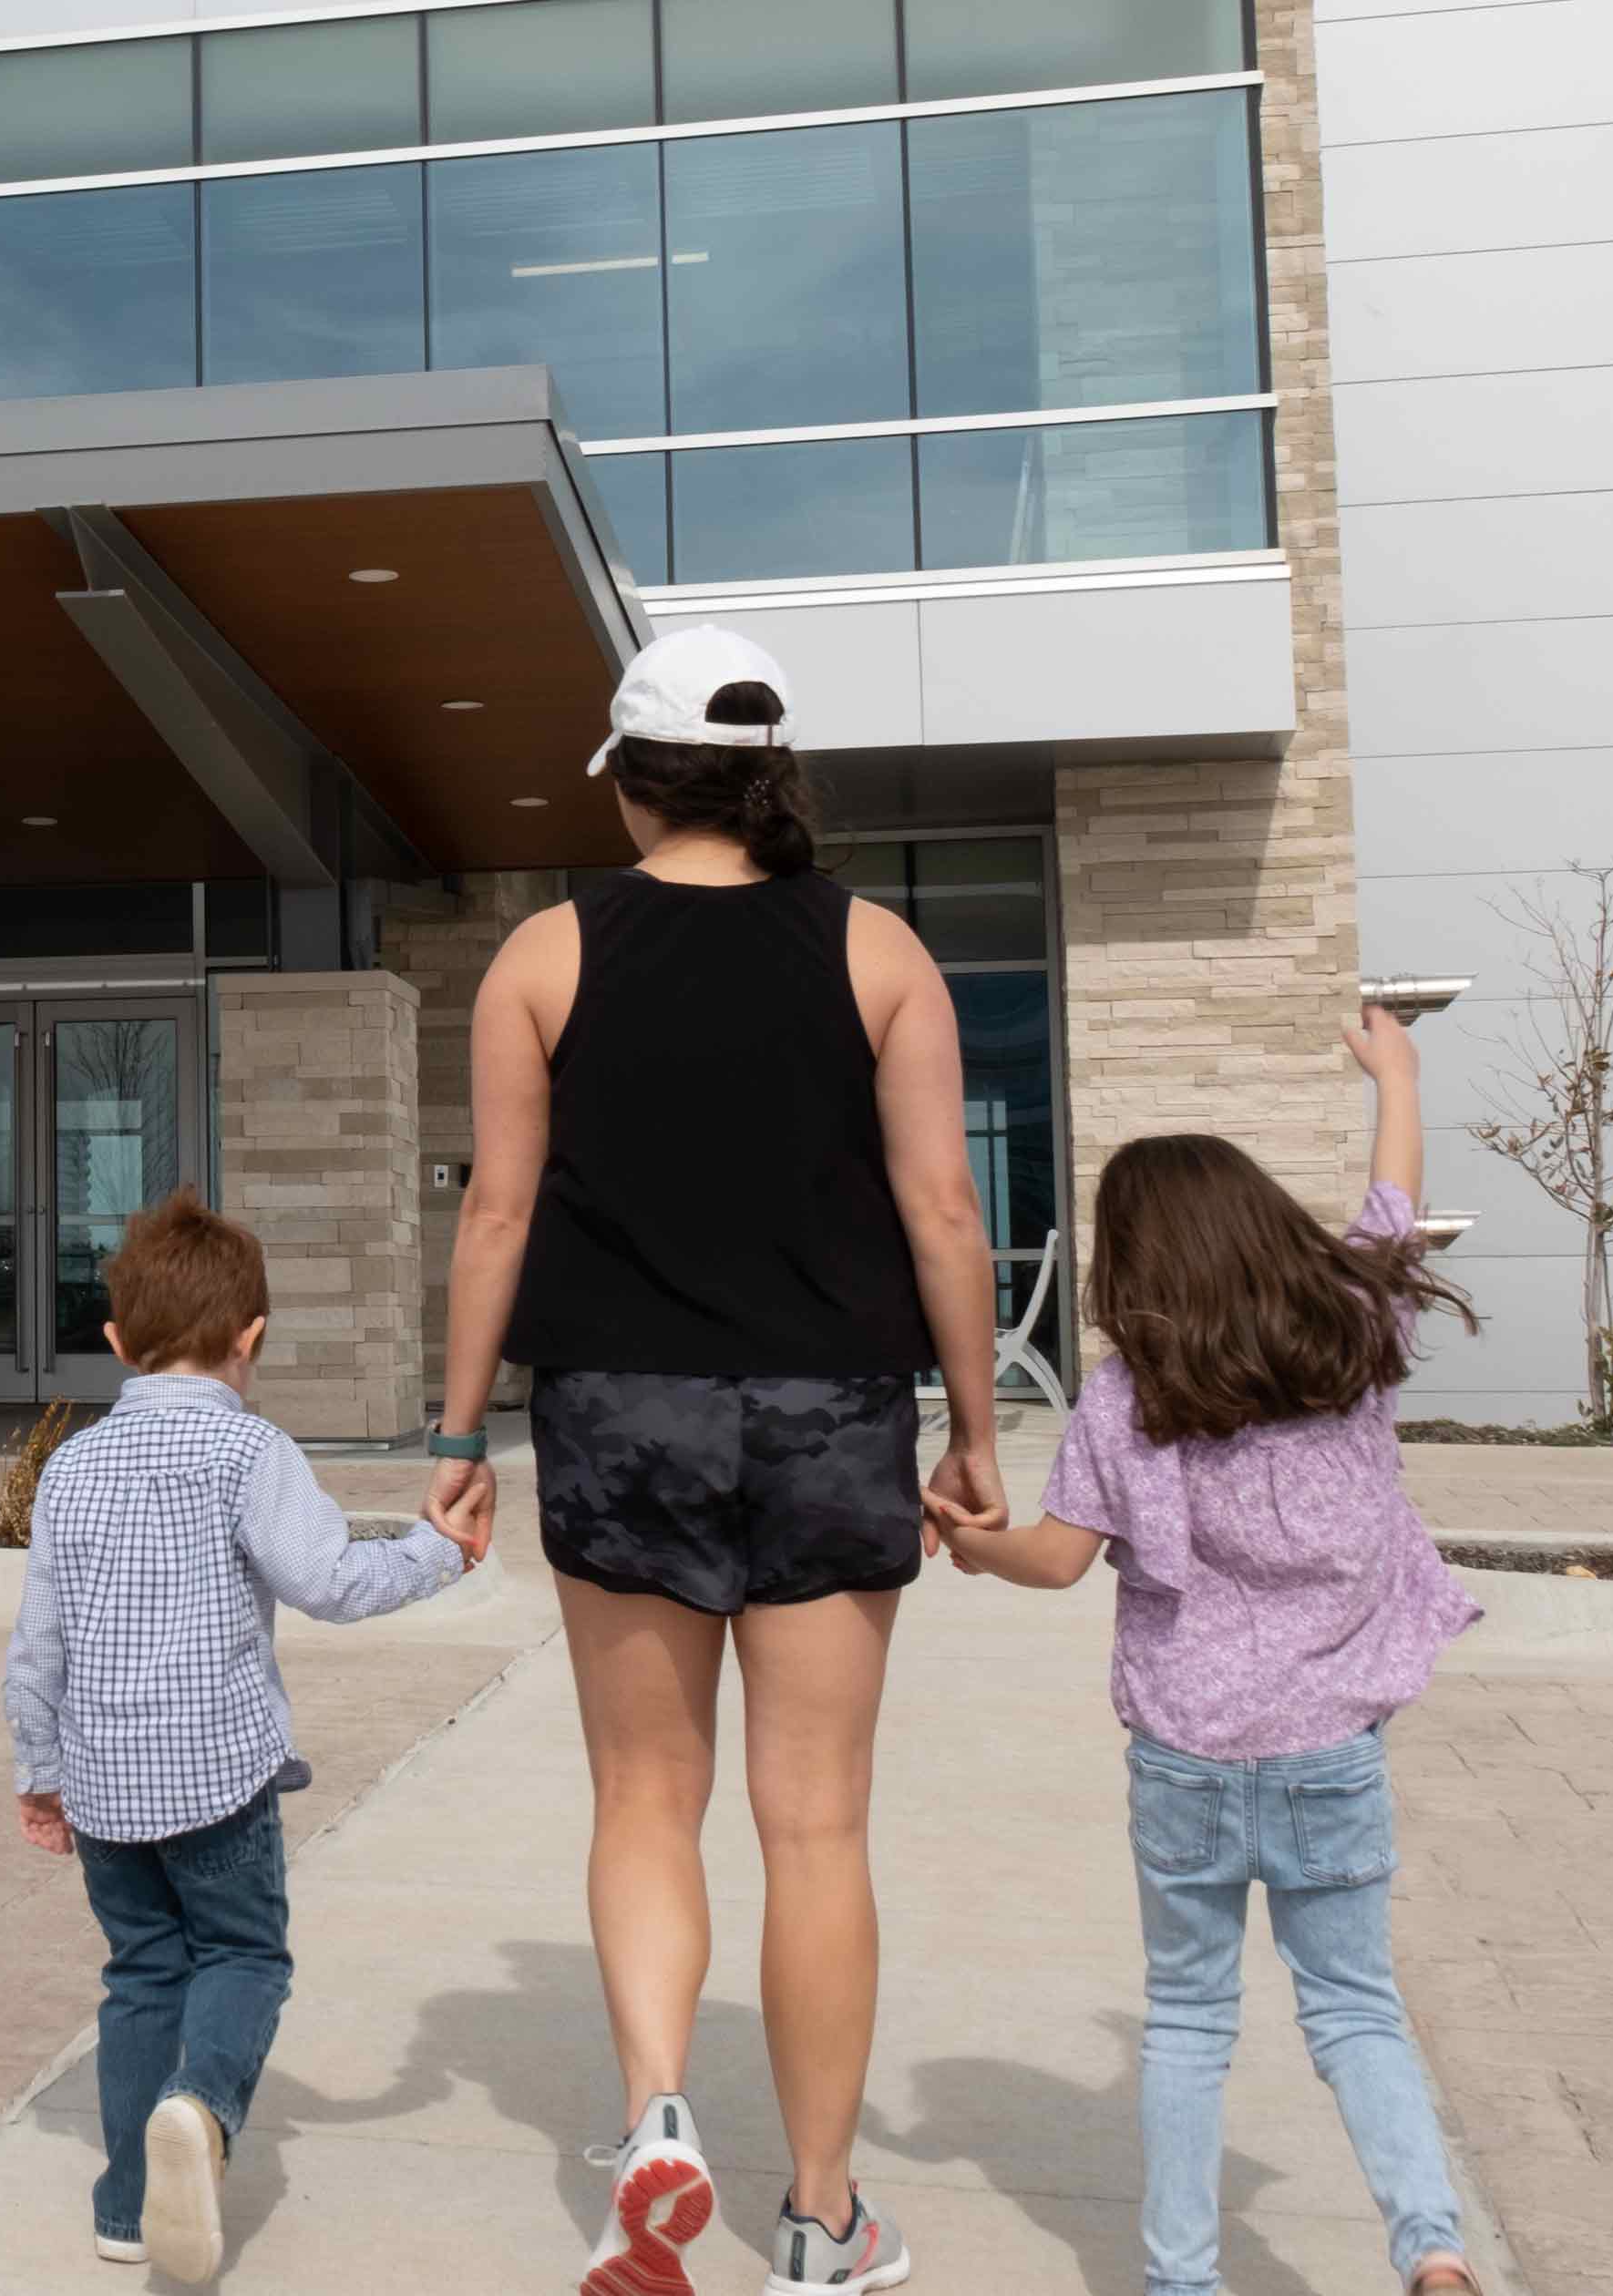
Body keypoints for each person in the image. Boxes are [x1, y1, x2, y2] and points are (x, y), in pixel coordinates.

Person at [428, 625, 1002, 2296]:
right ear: (774, 773)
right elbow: (943, 1208)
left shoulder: (544, 954)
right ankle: (820, 2217)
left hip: (621, 1413)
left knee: (642, 1798)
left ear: (628, 779)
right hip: (832, 1412)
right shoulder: (881, 949)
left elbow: (498, 1214)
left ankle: (660, 2118)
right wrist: (975, 1432)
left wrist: (458, 1436)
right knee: (815, 1825)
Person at [928, 1003, 1491, 2296]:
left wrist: (968, 1540)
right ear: (1261, 1224)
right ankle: (1434, 2252)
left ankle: (1183, 2279)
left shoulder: (1130, 1394)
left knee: (1187, 2021)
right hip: (1331, 1750)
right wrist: (1396, 1071)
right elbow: (1396, 1197)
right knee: (1354, 2008)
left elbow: (1056, 1560)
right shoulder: (1357, 1326)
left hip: (1186, 1755)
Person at [5, 1191, 499, 2281]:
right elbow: (328, 1583)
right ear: (253, 1337)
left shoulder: (73, 1466)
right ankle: (201, 2107)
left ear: (117, 1343)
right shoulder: (251, 1452)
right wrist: (440, 1553)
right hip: (218, 1778)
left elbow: (37, 1642)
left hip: (104, 1788)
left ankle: (126, 2210)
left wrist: (39, 1771)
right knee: (242, 1955)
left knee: (142, 1974)